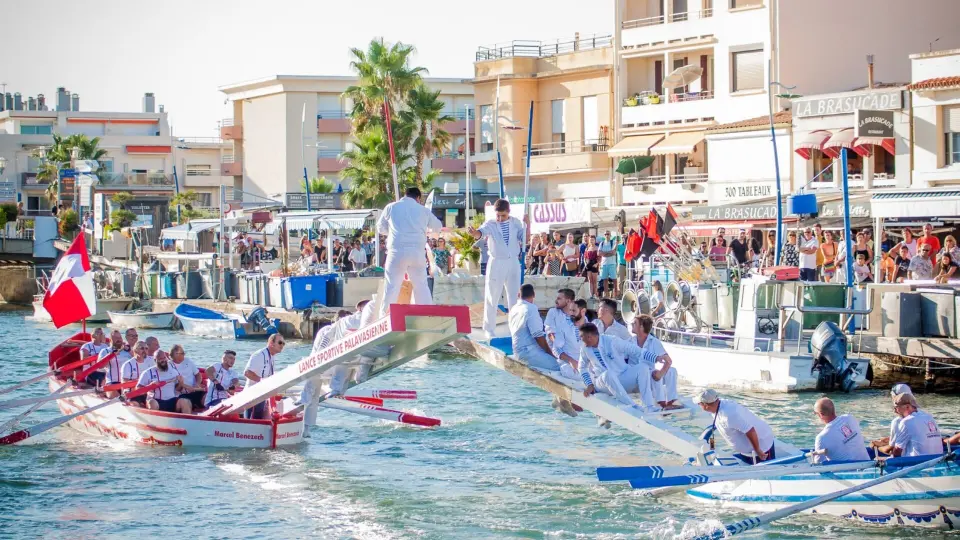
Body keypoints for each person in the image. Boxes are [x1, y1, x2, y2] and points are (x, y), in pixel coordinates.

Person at [377, 187, 443, 315]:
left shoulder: (391, 207)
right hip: (417, 252)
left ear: (405, 195)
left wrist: (392, 232)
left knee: (391, 287)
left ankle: (384, 317)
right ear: (418, 198)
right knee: (421, 286)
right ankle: (426, 315)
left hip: (396, 251)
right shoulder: (423, 210)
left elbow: (380, 227)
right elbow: (438, 226)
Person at [468, 199, 526, 340]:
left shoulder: (516, 223)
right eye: (498, 215)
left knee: (514, 298)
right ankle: (489, 329)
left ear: (508, 212)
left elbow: (524, 239)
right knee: (492, 296)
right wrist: (475, 233)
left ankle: (515, 329)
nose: (500, 218)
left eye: (503, 216)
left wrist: (527, 225)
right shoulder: (491, 223)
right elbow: (481, 233)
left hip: (513, 261)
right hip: (496, 262)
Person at [577, 323, 659, 411]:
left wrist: (656, 358)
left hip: (621, 378)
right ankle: (632, 406)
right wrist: (589, 384)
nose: (581, 340)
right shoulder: (585, 349)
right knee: (608, 374)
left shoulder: (612, 341)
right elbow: (582, 368)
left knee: (643, 367)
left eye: (582, 337)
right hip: (602, 383)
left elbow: (635, 350)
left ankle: (649, 406)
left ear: (589, 336)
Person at [695, 389, 777, 463]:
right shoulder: (716, 406)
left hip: (762, 447)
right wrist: (712, 448)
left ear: (705, 405)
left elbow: (750, 430)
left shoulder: (728, 415)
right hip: (746, 451)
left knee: (766, 471)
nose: (698, 406)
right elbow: (714, 428)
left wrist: (758, 450)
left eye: (699, 404)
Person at [631, 314, 681, 410]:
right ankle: (661, 402)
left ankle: (672, 400)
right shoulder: (630, 341)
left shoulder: (653, 342)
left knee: (671, 371)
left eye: (634, 323)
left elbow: (668, 360)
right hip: (635, 376)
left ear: (641, 327)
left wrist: (660, 374)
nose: (632, 325)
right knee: (651, 372)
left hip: (650, 376)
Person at [508, 284, 560, 371]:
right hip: (528, 352)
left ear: (518, 295)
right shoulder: (531, 309)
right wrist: (550, 354)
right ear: (534, 295)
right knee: (559, 366)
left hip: (517, 350)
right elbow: (538, 335)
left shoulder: (513, 308)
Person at [812, 397, 869, 464]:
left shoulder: (821, 438)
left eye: (815, 413)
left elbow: (819, 466)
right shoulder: (850, 418)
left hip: (847, 473)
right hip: (868, 466)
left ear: (821, 414)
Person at [243, 334, 285, 419]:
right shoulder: (259, 355)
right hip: (252, 395)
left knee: (258, 418)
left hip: (262, 395)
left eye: (283, 343)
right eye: (280, 343)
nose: (282, 345)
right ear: (271, 343)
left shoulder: (272, 357)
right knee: (252, 420)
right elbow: (247, 373)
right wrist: (262, 381)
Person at [889, 393, 943, 457]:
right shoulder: (929, 417)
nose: (895, 411)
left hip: (918, 463)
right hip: (938, 459)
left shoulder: (906, 422)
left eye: (896, 407)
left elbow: (897, 451)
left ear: (907, 406)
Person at [870, 383, 913, 455]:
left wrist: (877, 447)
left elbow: (893, 451)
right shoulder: (924, 416)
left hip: (908, 461)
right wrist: (888, 439)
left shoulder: (898, 421)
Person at [170, 344, 204, 411]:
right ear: (175, 354)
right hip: (181, 395)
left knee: (208, 398)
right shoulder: (169, 366)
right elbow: (177, 389)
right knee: (185, 403)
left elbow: (198, 375)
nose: (184, 354)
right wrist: (184, 385)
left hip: (195, 391)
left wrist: (197, 384)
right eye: (182, 353)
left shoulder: (188, 361)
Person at [598, 231, 618, 299]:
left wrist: (605, 253)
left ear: (610, 235)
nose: (607, 235)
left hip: (612, 263)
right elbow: (599, 253)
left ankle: (616, 294)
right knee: (605, 280)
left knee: (614, 279)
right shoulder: (602, 243)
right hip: (604, 264)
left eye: (608, 234)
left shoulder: (613, 242)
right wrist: (608, 253)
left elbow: (614, 252)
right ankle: (607, 295)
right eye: (605, 234)